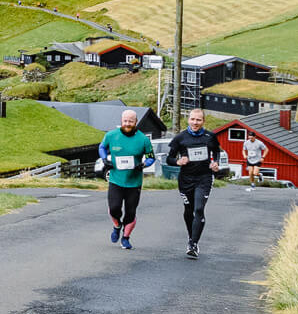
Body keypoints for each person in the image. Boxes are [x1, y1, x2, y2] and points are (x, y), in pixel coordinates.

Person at [164, 108, 228, 258]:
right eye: (193, 119)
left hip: (204, 178)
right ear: (188, 119)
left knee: (199, 209)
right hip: (186, 179)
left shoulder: (210, 136)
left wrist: (216, 163)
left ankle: (193, 243)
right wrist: (178, 161)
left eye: (198, 120)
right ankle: (191, 236)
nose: (195, 122)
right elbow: (169, 158)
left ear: (203, 121)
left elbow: (216, 151)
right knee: (189, 210)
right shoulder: (180, 138)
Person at [96, 108, 155, 248]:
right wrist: (105, 159)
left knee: (131, 212)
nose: (127, 124)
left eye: (130, 121)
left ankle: (126, 238)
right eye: (125, 121)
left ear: (136, 122)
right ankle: (117, 225)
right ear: (121, 121)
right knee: (114, 208)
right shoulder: (111, 135)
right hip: (116, 180)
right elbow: (102, 147)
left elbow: (151, 157)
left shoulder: (143, 139)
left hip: (134, 183)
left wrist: (143, 165)